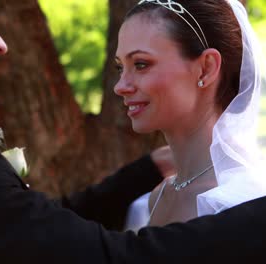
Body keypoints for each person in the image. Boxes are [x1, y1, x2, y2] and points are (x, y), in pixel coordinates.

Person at [0, 0, 266, 263]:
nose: (1, 43)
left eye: (140, 64)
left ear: (206, 68)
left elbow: (33, 230)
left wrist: (140, 174)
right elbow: (93, 256)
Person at [114, 0, 266, 231]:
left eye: (141, 64)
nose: (120, 86)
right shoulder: (158, 197)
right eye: (120, 68)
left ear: (206, 68)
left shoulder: (239, 202)